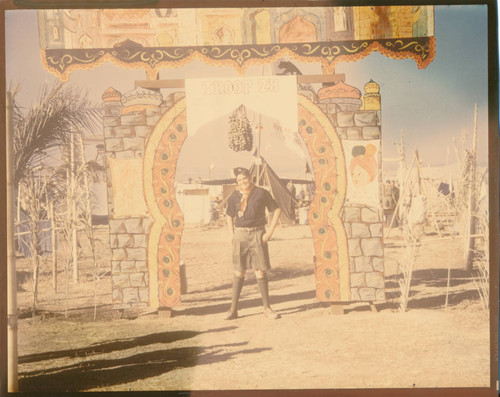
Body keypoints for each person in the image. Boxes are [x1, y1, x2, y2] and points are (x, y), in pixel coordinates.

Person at [225, 167, 282, 320]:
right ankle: (233, 310)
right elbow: (229, 215)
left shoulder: (261, 193)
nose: (242, 182)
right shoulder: (234, 196)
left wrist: (269, 233)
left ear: (250, 177)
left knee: (260, 271)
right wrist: (231, 235)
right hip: (240, 235)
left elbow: (276, 210)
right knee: (239, 271)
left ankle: (267, 308)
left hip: (257, 234)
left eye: (244, 178)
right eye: (239, 180)